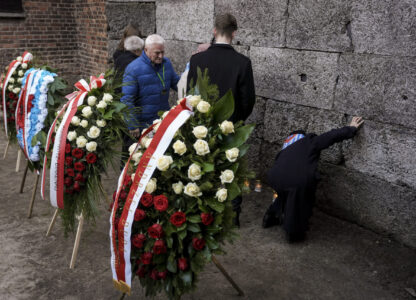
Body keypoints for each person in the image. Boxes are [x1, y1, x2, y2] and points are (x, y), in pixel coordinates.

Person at [187, 13, 256, 226]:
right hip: (232, 127)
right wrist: (235, 119)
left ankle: (201, 214)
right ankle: (232, 217)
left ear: (214, 31)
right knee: (231, 172)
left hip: (203, 127)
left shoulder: (197, 59)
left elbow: (190, 95)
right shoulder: (242, 63)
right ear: (234, 33)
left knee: (203, 167)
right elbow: (248, 100)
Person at [262, 117, 365, 242]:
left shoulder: (286, 148)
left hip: (274, 178)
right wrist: (351, 128)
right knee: (298, 203)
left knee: (284, 194)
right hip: (297, 182)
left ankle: (271, 215)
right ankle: (293, 233)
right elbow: (330, 136)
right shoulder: (309, 141)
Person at [121, 34, 180, 139]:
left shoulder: (166, 64)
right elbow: (127, 99)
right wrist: (132, 124)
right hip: (143, 125)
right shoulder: (133, 68)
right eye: (157, 53)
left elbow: (178, 84)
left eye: (162, 52)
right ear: (146, 50)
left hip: (162, 121)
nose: (161, 56)